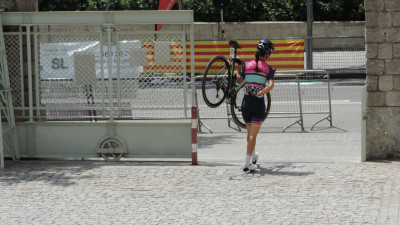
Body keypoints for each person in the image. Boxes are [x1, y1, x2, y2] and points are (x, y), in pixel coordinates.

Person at [236, 39, 276, 172]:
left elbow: (239, 79)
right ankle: (246, 163)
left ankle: (253, 156)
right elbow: (271, 85)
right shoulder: (268, 69)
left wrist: (238, 70)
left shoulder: (247, 65)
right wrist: (261, 92)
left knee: (249, 135)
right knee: (253, 136)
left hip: (246, 102)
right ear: (267, 54)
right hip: (258, 104)